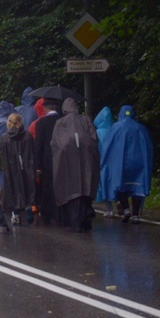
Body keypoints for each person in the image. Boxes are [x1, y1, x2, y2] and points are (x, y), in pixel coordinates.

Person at [50, 98, 99, 232]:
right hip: (86, 163)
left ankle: (73, 222)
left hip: (67, 165)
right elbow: (94, 141)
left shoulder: (60, 123)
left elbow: (56, 144)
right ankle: (85, 219)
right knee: (84, 189)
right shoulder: (86, 120)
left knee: (71, 192)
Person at [99, 105, 153, 224]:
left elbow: (107, 147)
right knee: (137, 188)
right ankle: (135, 215)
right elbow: (148, 148)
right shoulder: (141, 128)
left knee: (119, 185)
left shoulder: (116, 128)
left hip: (121, 164)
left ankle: (126, 209)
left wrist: (105, 163)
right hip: (139, 165)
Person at [0, 113, 35, 225]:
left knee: (13, 191)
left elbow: (0, 154)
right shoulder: (27, 136)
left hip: (10, 169)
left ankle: (16, 215)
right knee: (27, 187)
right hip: (26, 167)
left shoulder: (4, 138)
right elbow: (33, 152)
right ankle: (29, 206)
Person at [34, 98, 63, 224]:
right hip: (61, 158)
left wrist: (37, 164)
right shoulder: (62, 120)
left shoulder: (42, 122)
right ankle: (61, 212)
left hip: (47, 159)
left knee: (48, 186)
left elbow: (39, 144)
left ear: (45, 109)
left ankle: (48, 213)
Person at [93, 106, 115, 217]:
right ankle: (120, 202)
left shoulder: (97, 133)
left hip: (102, 161)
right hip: (114, 163)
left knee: (104, 185)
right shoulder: (115, 130)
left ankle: (109, 209)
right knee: (114, 183)